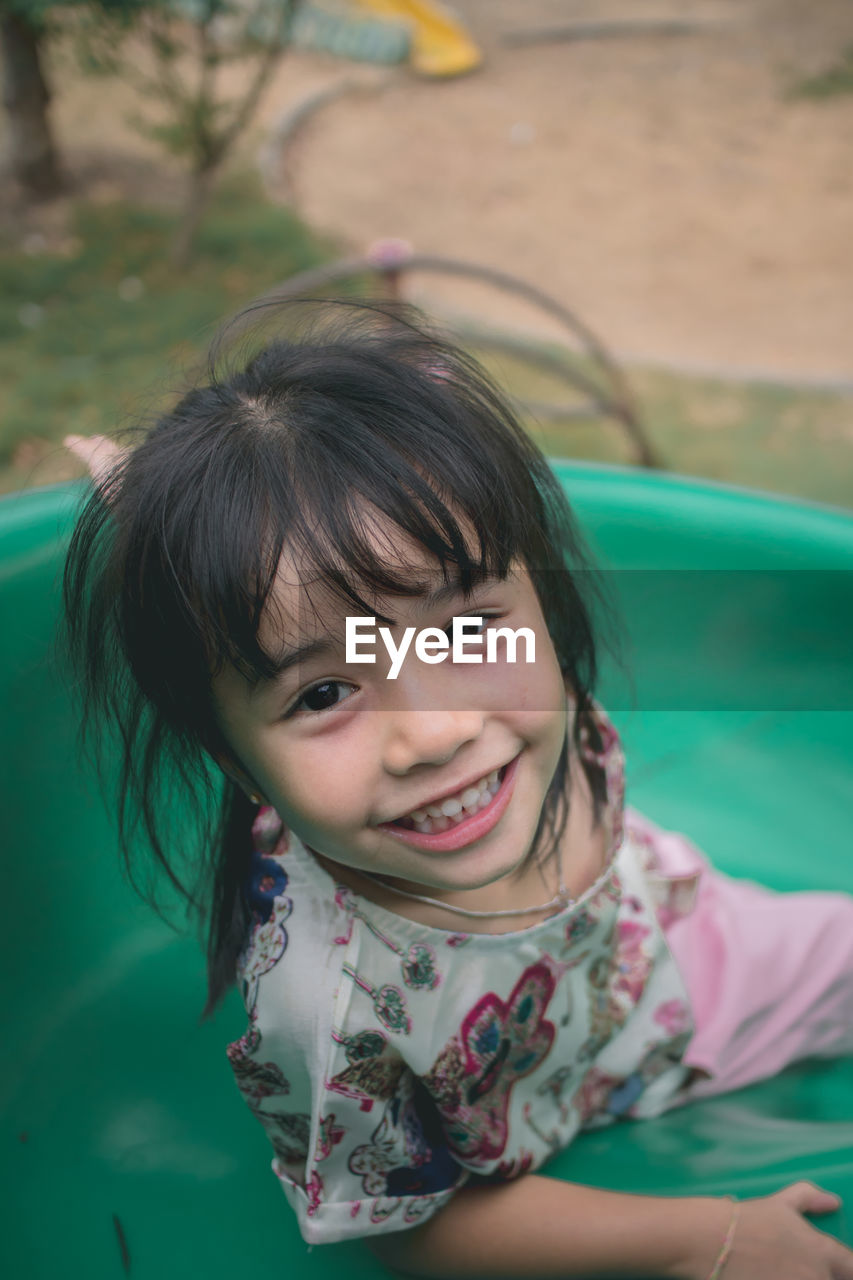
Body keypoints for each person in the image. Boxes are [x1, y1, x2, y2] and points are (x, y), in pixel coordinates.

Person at [64, 301, 853, 1279]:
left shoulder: (524, 692)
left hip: (680, 956)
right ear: (231, 759)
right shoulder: (331, 1004)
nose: (435, 730)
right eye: (324, 691)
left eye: (467, 632)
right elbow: (402, 1223)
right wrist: (710, 1233)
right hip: (509, 1137)